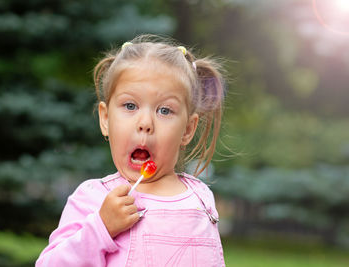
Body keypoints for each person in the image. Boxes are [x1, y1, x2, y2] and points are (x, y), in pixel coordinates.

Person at [36, 34, 226, 267]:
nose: (145, 122)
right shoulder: (93, 199)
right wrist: (101, 228)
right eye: (130, 106)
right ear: (105, 119)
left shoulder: (201, 198)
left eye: (164, 110)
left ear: (187, 129)